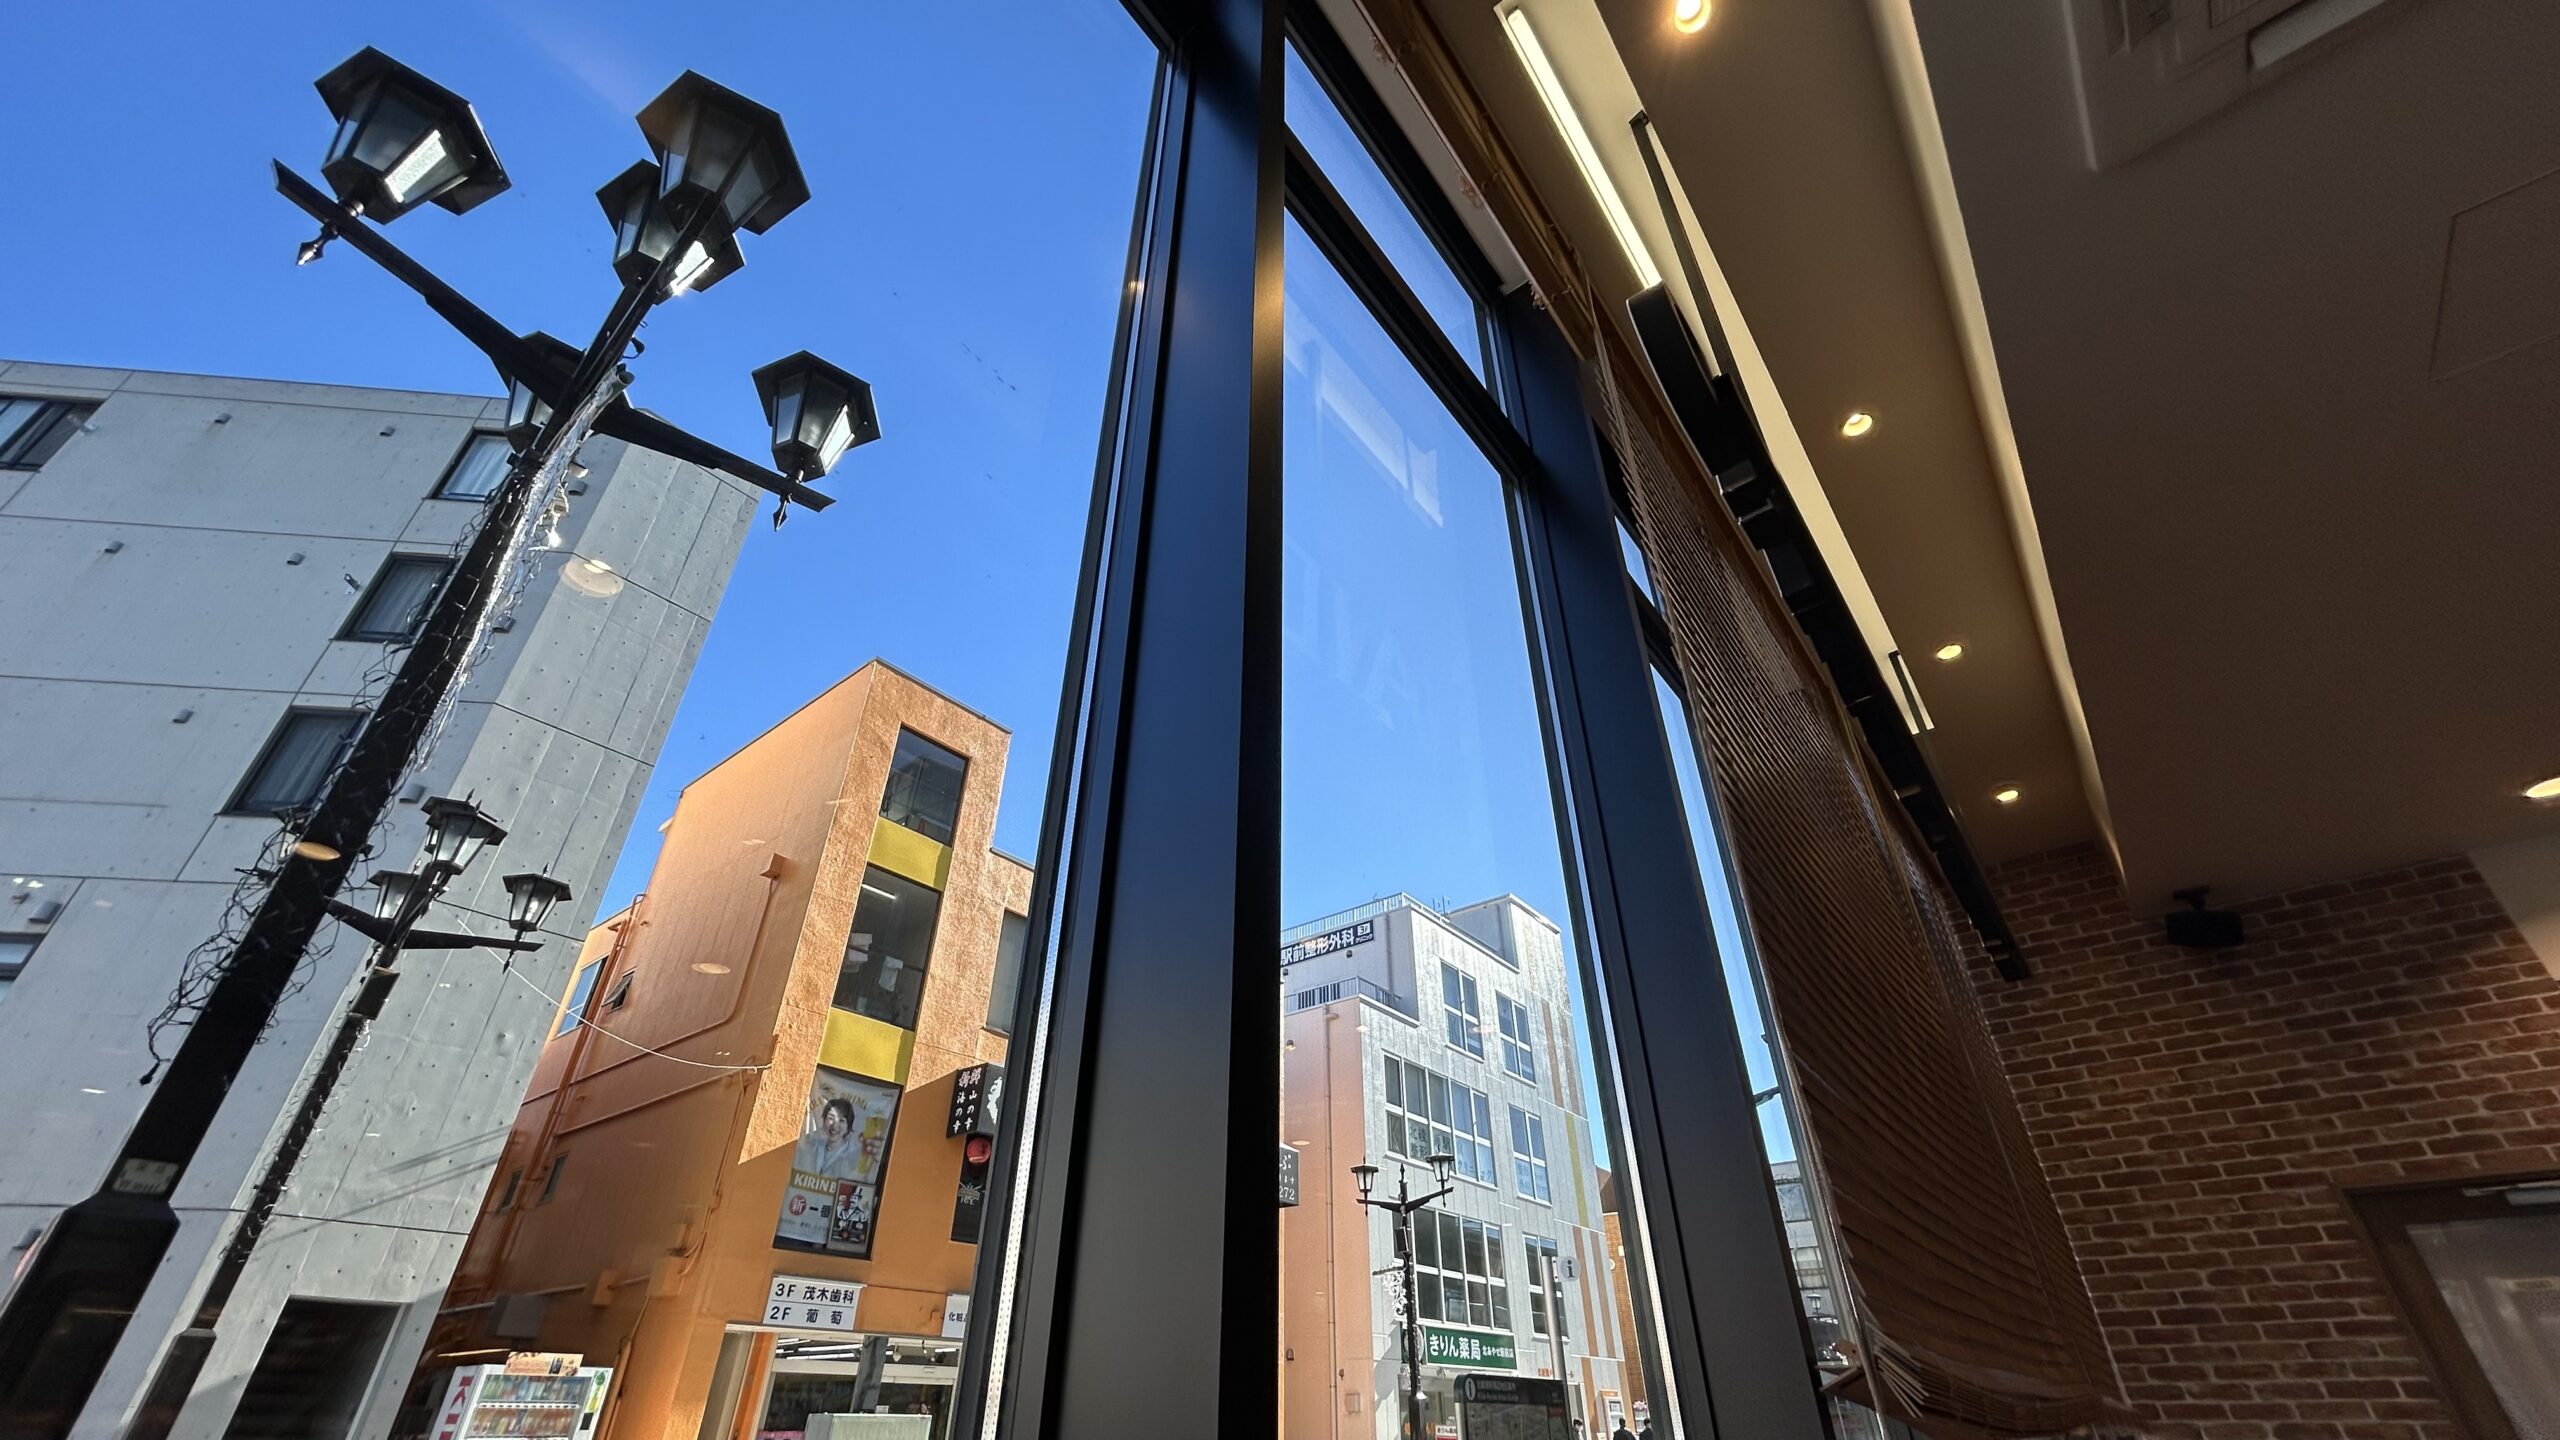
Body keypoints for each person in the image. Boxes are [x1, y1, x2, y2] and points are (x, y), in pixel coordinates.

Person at [795, 1096, 860, 1176]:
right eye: (831, 1118)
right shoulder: (809, 1142)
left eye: (841, 1120)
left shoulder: (854, 1154)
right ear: (824, 1120)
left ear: (848, 1127)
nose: (835, 1126)